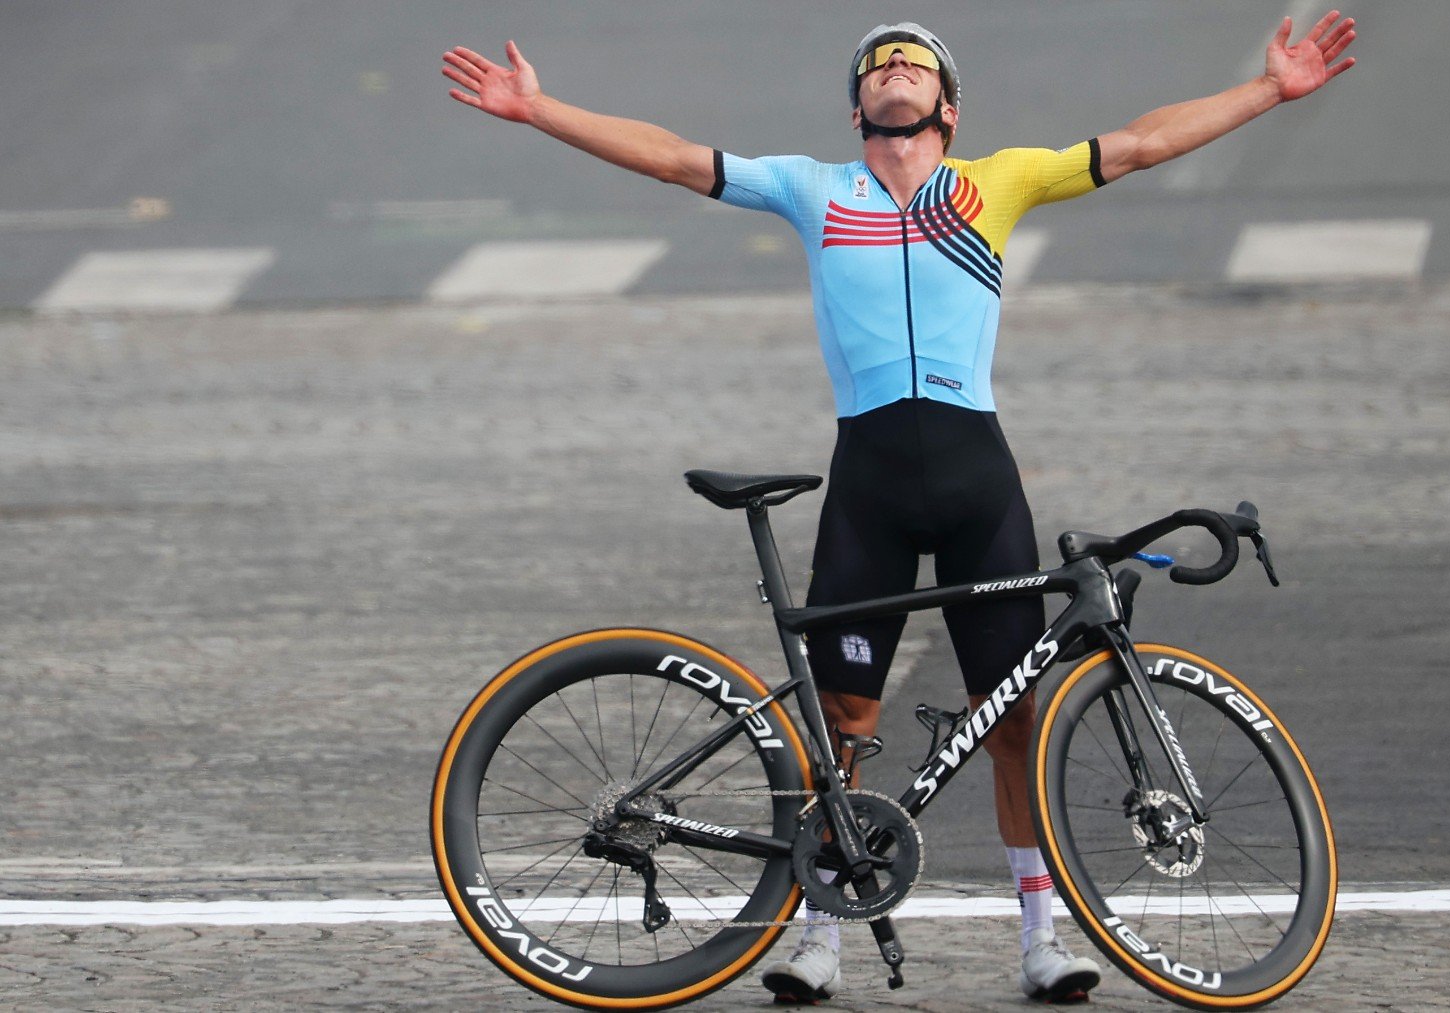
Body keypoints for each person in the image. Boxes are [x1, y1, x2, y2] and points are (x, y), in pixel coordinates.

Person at [443, 13, 1355, 1003]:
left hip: (977, 480)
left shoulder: (997, 182)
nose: (895, 73)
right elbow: (670, 158)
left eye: (916, 65)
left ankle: (1042, 940)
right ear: (856, 106)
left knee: (1014, 721)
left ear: (947, 108)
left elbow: (1139, 144)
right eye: (878, 66)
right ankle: (821, 934)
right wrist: (537, 111)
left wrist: (1267, 92)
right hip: (870, 480)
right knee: (843, 723)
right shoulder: (813, 188)